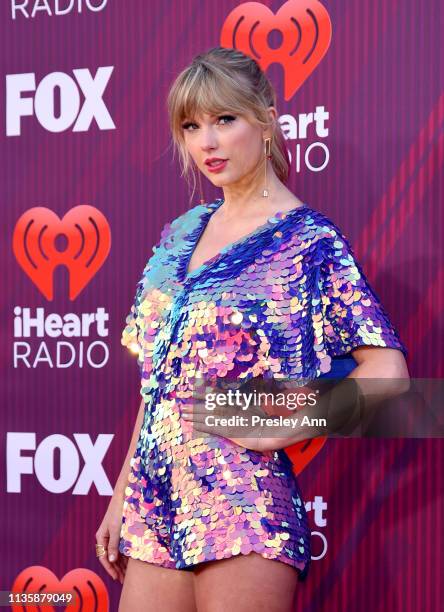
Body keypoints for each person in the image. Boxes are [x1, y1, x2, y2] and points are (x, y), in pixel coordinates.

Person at [95, 47, 409, 612]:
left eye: (224, 119)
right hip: (154, 506)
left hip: (243, 505)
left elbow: (388, 373)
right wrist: (121, 497)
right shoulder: (178, 235)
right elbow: (157, 385)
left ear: (265, 121)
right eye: (191, 126)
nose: (207, 143)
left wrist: (284, 427)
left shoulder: (308, 241)